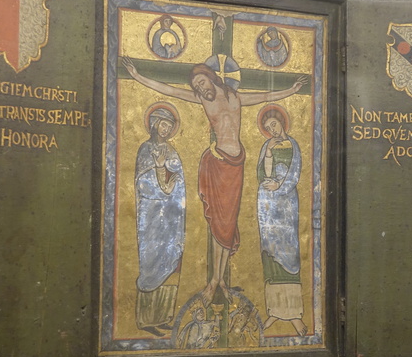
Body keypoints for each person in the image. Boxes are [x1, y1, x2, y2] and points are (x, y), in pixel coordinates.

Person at [121, 56, 306, 305]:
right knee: (217, 223)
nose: (200, 88)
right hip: (216, 164)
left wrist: (292, 90)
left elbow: (265, 96)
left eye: (202, 82)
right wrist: (137, 76)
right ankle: (214, 281)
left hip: (235, 165)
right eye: (196, 86)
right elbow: (169, 90)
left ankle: (220, 280)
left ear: (212, 78)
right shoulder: (202, 101)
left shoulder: (236, 98)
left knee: (228, 223)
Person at [133, 106, 185, 336]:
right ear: (154, 124)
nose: (165, 129)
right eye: (163, 124)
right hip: (152, 217)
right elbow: (143, 184)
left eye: (169, 126)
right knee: (152, 263)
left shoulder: (172, 151)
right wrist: (159, 169)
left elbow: (179, 181)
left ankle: (164, 316)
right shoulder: (145, 149)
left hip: (172, 218)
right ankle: (147, 320)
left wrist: (172, 185)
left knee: (171, 260)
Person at [256, 107, 306, 336]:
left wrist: (279, 185)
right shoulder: (267, 146)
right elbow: (262, 175)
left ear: (282, 122)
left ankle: (294, 315)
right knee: (271, 256)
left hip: (286, 205)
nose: (272, 130)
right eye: (268, 128)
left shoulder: (293, 145)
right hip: (268, 206)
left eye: (274, 125)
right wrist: (268, 152)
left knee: (289, 256)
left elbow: (294, 174)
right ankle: (274, 311)